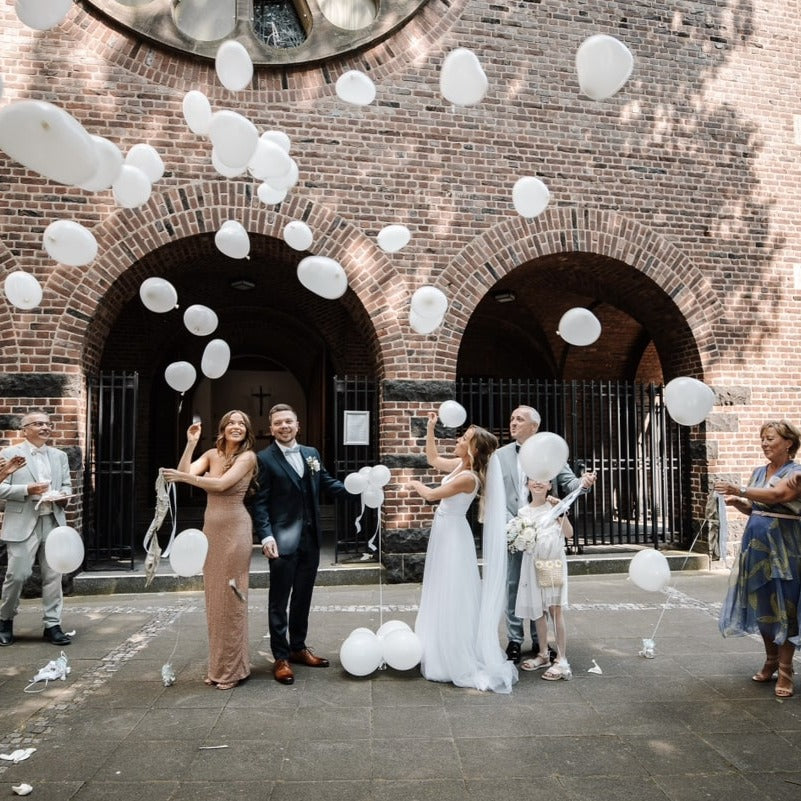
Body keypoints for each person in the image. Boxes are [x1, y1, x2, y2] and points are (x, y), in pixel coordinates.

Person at [408, 412, 517, 693]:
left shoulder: (469, 478)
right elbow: (433, 460)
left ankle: (453, 654)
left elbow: (432, 495)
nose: (458, 440)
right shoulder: (460, 465)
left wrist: (412, 483)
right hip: (445, 533)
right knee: (439, 587)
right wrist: (430, 428)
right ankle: (436, 645)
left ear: (473, 449)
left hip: (454, 538)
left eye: (464, 438)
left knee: (451, 590)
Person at [251, 403, 348, 685]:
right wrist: (266, 535)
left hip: (311, 539)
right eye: (278, 423)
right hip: (281, 541)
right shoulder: (264, 459)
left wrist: (359, 489)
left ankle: (298, 647)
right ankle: (280, 657)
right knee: (279, 600)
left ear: (297, 425)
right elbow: (260, 502)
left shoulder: (311, 454)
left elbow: (328, 484)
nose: (284, 426)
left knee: (303, 596)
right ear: (271, 428)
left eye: (288, 421)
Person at [162, 410, 257, 690]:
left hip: (235, 531)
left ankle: (232, 670)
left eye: (242, 423)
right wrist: (191, 444)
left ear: (247, 430)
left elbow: (221, 484)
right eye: (232, 422)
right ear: (223, 428)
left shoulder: (247, 457)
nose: (236, 426)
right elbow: (186, 470)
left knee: (232, 597)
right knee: (215, 601)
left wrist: (183, 478)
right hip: (211, 533)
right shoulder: (212, 455)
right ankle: (218, 666)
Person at [497, 405, 596, 663]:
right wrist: (511, 525)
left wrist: (583, 484)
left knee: (540, 588)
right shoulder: (500, 455)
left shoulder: (549, 454)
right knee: (513, 585)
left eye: (520, 419)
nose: (513, 422)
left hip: (541, 530)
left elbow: (570, 483)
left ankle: (540, 643)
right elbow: (494, 494)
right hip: (514, 529)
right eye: (512, 418)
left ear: (534, 427)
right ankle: (515, 641)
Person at [714, 419, 801, 699]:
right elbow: (756, 508)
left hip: (786, 550)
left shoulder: (797, 472)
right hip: (757, 549)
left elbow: (778, 495)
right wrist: (741, 503)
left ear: (788, 443)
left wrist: (737, 489)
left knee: (785, 608)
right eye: (762, 439)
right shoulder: (758, 472)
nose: (765, 444)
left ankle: (786, 670)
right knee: (762, 604)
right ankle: (770, 660)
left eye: (770, 438)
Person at [0, 411, 72, 647]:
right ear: (25, 429)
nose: (45, 427)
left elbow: (67, 486)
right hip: (22, 523)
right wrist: (27, 489)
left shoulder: (60, 456)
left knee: (54, 575)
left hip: (53, 521)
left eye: (48, 424)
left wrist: (63, 497)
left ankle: (53, 625)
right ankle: (5, 620)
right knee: (17, 575)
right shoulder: (9, 454)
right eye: (38, 424)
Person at [514, 477, 573, 680]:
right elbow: (522, 540)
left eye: (543, 480)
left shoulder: (554, 506)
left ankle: (562, 659)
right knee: (538, 610)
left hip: (552, 563)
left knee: (555, 609)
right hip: (533, 563)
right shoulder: (523, 512)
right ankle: (543, 654)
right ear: (528, 484)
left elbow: (569, 534)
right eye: (533, 479)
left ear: (549, 485)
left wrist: (560, 512)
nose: (538, 483)